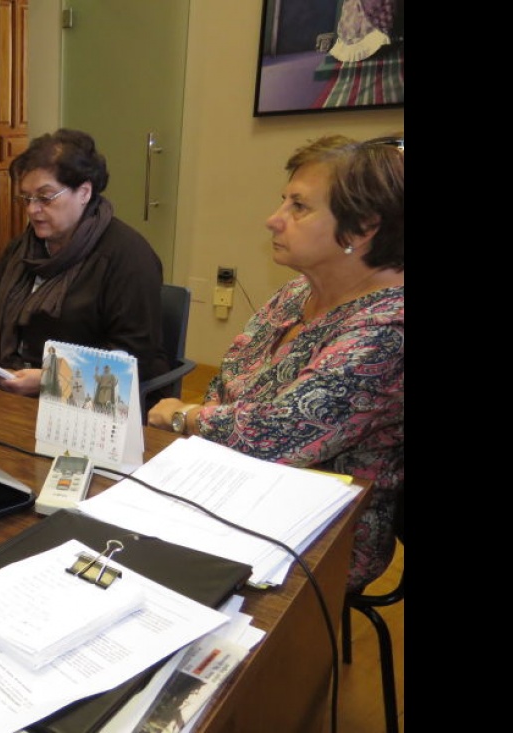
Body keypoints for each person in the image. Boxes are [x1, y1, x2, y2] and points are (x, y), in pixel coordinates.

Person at [148, 134, 404, 593]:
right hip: (237, 483)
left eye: (299, 207)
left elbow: (275, 436)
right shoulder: (299, 292)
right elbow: (226, 384)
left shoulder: (389, 329)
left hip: (326, 535)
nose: (273, 219)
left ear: (363, 227)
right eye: (282, 201)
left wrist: (184, 416)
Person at [0, 129, 170, 406]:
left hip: (85, 404)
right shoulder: (20, 250)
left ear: (84, 192)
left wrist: (49, 379)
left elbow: (131, 357)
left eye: (45, 198)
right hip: (10, 390)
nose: (32, 210)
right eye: (26, 198)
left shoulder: (128, 257)